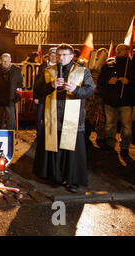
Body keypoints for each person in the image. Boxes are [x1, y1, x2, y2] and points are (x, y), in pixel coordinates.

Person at [33, 44, 95, 193]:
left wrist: (76, 89)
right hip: (53, 117)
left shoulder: (82, 71)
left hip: (73, 118)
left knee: (71, 150)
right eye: (59, 55)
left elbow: (91, 89)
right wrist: (51, 85)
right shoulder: (49, 71)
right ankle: (54, 177)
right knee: (53, 147)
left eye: (65, 55)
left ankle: (72, 180)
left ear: (71, 56)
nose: (61, 58)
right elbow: (38, 90)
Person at [97, 44, 133, 157]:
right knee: (109, 125)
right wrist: (108, 81)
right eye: (120, 50)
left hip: (126, 101)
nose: (122, 52)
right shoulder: (108, 65)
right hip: (110, 100)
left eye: (125, 50)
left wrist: (129, 81)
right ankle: (110, 143)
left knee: (127, 128)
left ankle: (125, 147)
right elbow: (100, 80)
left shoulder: (132, 65)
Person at [0, 53, 23, 130]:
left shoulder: (17, 71)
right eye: (4, 61)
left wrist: (18, 96)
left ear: (10, 60)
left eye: (7, 61)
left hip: (11, 98)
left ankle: (10, 135)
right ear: (1, 61)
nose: (5, 63)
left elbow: (20, 85)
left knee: (11, 119)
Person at [85, 48, 108, 151]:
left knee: (102, 117)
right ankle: (86, 136)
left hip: (101, 94)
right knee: (88, 115)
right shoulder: (90, 64)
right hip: (91, 95)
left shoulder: (108, 65)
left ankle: (101, 137)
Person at [33, 48, 57, 136]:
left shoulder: (60, 67)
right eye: (52, 55)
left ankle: (50, 134)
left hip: (54, 96)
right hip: (42, 95)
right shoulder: (42, 67)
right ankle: (39, 134)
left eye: (55, 55)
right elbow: (37, 82)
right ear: (48, 56)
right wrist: (35, 96)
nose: (54, 57)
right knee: (39, 116)